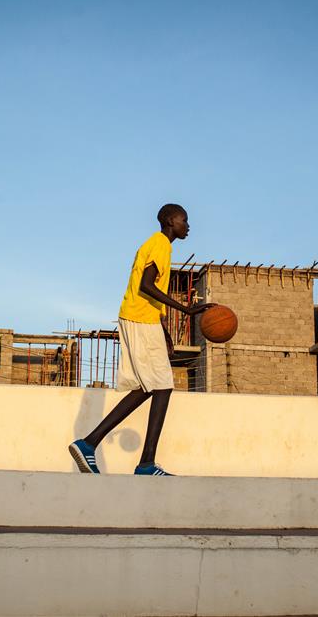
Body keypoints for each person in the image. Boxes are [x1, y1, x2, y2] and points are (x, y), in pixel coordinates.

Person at [69, 204, 213, 476]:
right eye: (184, 220)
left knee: (150, 387)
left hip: (143, 319)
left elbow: (148, 293)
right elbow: (146, 285)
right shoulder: (160, 244)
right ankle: (144, 462)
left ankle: (89, 444)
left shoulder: (157, 245)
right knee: (163, 386)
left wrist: (164, 331)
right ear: (171, 221)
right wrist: (187, 309)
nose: (188, 225)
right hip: (138, 320)